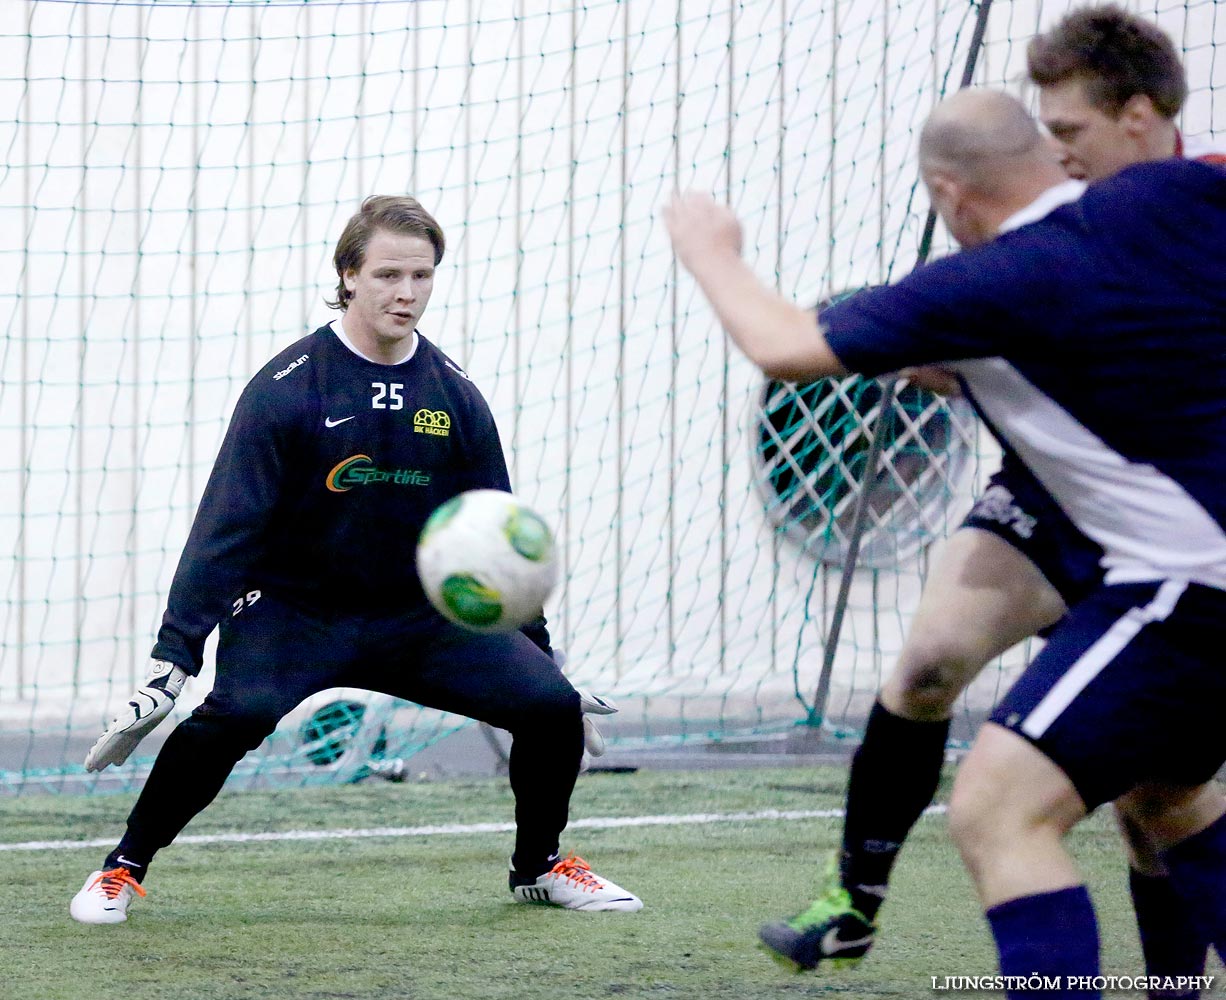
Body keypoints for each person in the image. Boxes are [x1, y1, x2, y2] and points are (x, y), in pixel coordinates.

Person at [666, 87, 1226, 999]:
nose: (1065, 151)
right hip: (1063, 497)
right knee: (931, 663)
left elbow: (783, 344)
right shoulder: (1082, 236)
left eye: (1074, 130)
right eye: (1051, 133)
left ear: (1141, 116)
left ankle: (1171, 985)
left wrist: (707, 248)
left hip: (1172, 550)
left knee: (1135, 797)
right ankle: (853, 897)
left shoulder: (1167, 206)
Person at [70, 195, 642, 924]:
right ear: (348, 275)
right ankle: (124, 866)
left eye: (423, 276)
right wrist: (172, 660)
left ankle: (538, 866)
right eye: (388, 275)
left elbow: (497, 535)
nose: (407, 293)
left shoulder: (455, 396)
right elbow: (224, 529)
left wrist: (542, 655)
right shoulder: (287, 390)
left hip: (418, 615)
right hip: (295, 611)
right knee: (235, 714)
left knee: (549, 709)